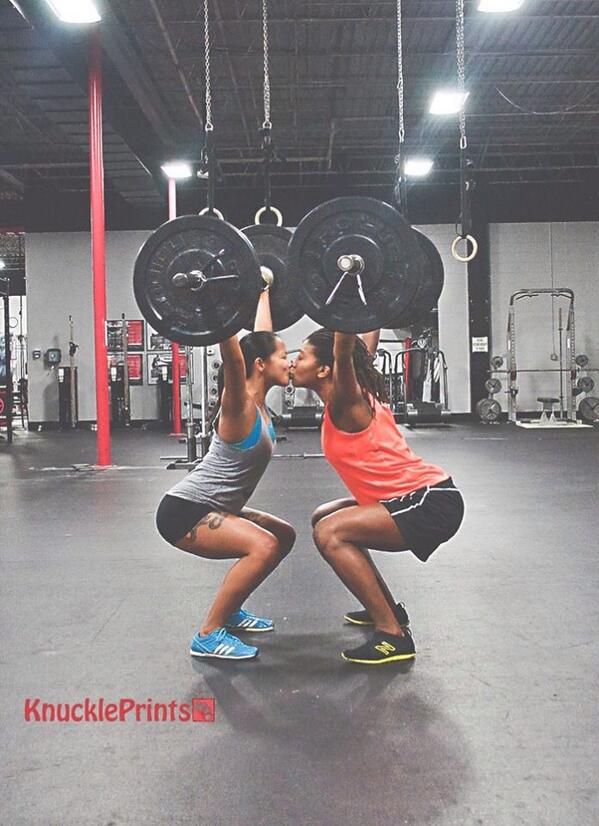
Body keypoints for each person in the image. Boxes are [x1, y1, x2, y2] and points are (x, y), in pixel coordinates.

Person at [290, 329, 464, 665]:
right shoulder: (355, 390)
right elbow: (364, 335)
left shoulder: (345, 399)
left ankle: (392, 636)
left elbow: (344, 349)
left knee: (329, 533)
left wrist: (340, 310)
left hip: (428, 501)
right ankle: (386, 609)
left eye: (302, 355)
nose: (293, 362)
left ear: (326, 369)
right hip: (416, 497)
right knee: (323, 516)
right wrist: (361, 287)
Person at [156, 279, 295, 660]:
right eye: (284, 356)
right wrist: (217, 304)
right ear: (260, 365)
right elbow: (236, 359)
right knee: (263, 545)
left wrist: (263, 288)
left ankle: (233, 610)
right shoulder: (240, 405)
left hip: (217, 507)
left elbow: (259, 339)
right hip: (185, 510)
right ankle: (208, 633)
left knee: (282, 535)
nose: (291, 362)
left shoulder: (262, 402)